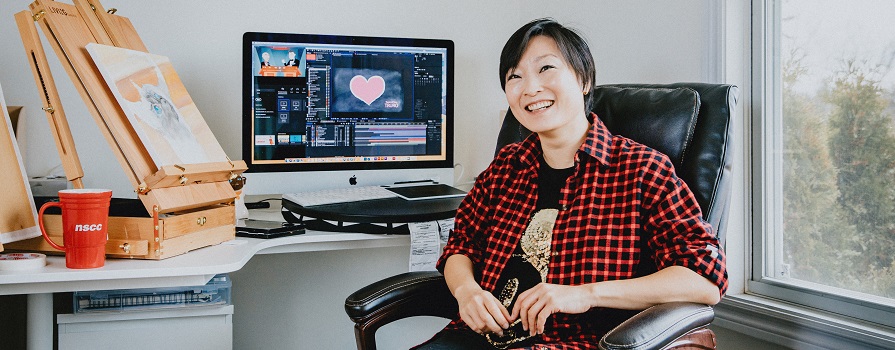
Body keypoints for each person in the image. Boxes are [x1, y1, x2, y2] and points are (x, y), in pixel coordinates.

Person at [416, 18, 728, 349]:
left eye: (546, 68)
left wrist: (586, 294)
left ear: (584, 80)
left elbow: (704, 279)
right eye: (515, 77)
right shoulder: (506, 167)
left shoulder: (643, 171)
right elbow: (461, 245)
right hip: (475, 338)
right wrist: (467, 292)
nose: (530, 87)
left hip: (572, 342)